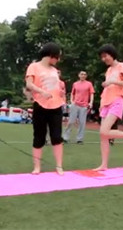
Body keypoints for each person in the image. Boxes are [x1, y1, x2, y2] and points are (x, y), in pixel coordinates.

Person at [25, 43, 66, 175]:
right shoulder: (34, 67)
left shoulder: (54, 70)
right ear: (51, 55)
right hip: (40, 105)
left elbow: (58, 86)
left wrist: (61, 92)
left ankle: (59, 166)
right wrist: (41, 92)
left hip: (56, 105)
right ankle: (37, 167)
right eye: (57, 57)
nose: (58, 60)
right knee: (39, 136)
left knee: (56, 136)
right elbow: (29, 84)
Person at [93, 44, 123, 171]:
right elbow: (106, 89)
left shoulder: (121, 66)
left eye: (105, 56)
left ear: (111, 54)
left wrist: (112, 82)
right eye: (102, 57)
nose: (104, 59)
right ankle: (104, 164)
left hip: (116, 100)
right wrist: (101, 104)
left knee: (104, 131)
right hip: (106, 102)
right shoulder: (109, 71)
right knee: (103, 135)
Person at [63, 71, 95, 144]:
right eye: (81, 74)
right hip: (75, 105)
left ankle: (79, 139)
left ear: (86, 76)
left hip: (84, 106)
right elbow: (72, 93)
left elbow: (91, 93)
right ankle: (65, 137)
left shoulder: (89, 84)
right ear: (79, 75)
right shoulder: (75, 84)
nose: (83, 75)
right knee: (71, 121)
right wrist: (72, 101)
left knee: (82, 122)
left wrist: (91, 102)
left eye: (84, 74)